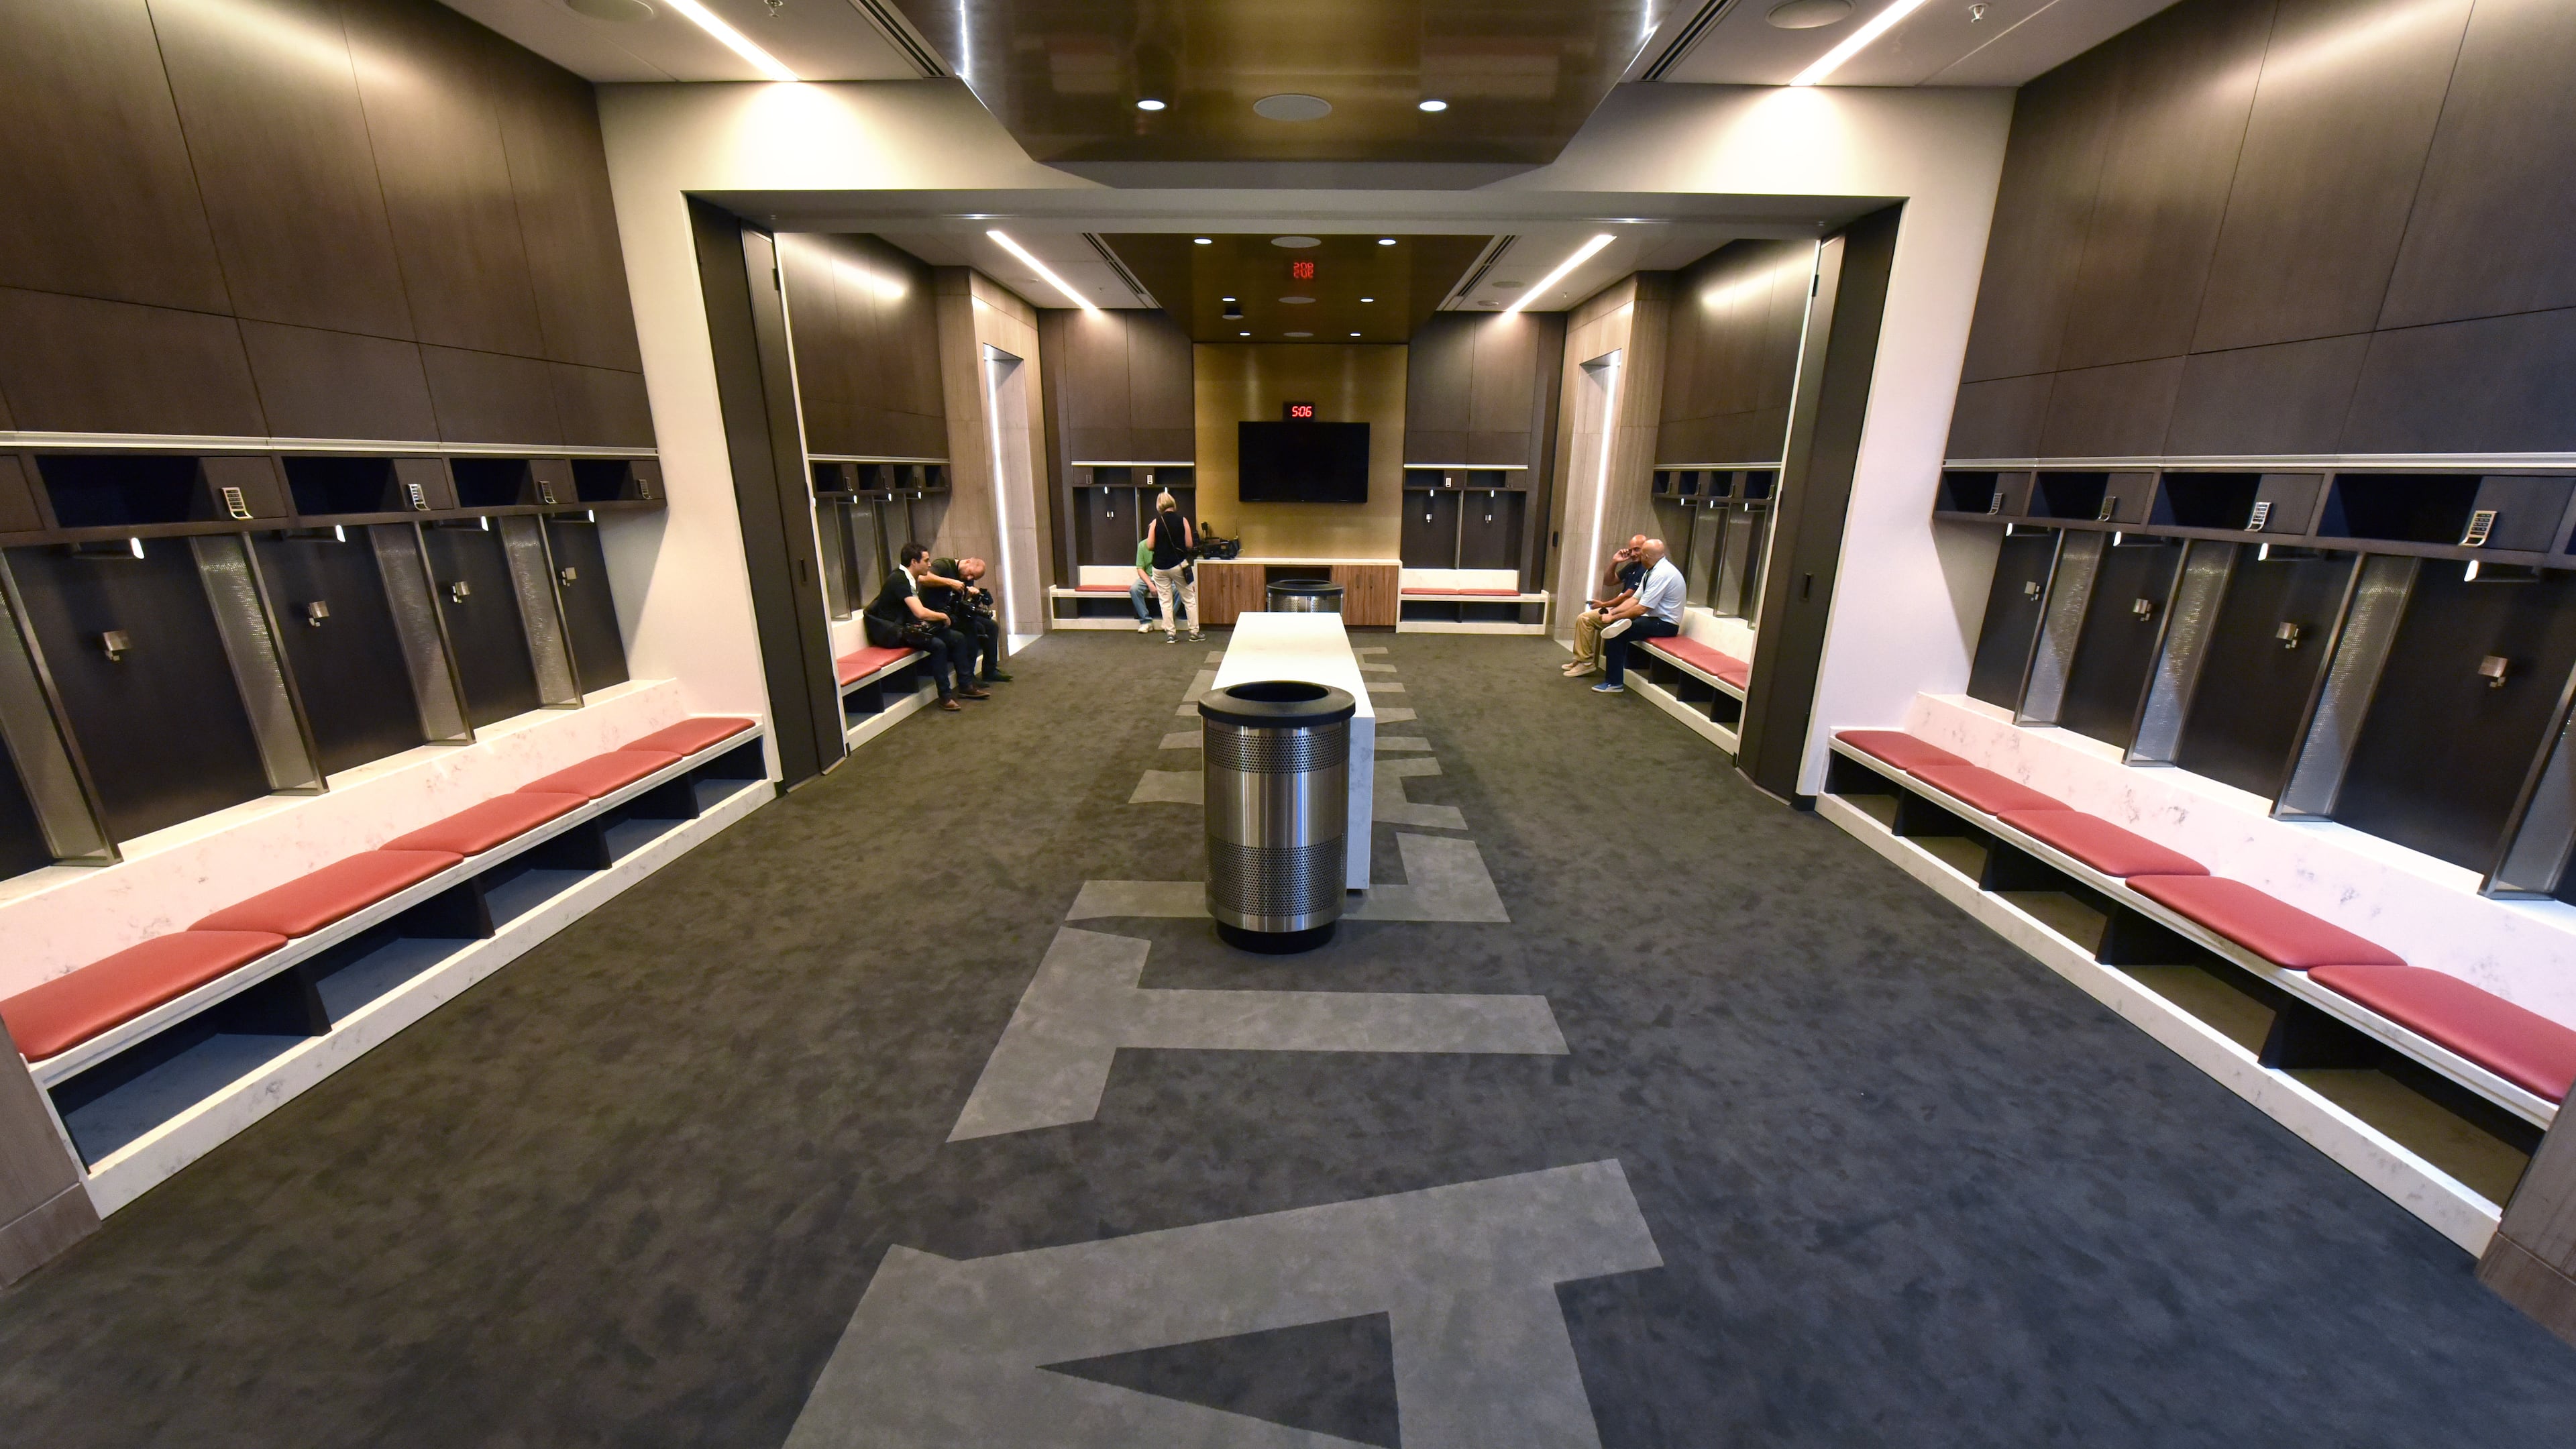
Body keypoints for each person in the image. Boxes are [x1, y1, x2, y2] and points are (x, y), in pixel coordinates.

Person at [865, 543, 985, 711]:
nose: (930, 565)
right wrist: (942, 617)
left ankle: (966, 686)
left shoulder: (907, 578)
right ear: (914, 562)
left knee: (958, 638)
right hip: (893, 632)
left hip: (906, 627)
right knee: (938, 646)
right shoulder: (900, 580)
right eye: (926, 561)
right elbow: (920, 612)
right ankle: (945, 697)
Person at [1594, 537, 1684, 694]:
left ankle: (1614, 683)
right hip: (1653, 620)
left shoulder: (1661, 574)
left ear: (1646, 557)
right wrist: (1612, 612)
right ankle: (1612, 680)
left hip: (1665, 625)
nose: (1638, 556)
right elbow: (1635, 599)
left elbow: (1641, 608)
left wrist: (1614, 618)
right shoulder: (1651, 571)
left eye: (1641, 553)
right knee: (1616, 627)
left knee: (1616, 634)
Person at [1563, 535, 1648, 678]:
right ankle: (1580, 659)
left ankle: (1586, 663)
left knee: (1585, 619)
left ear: (1645, 550)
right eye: (1631, 550)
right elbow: (1609, 581)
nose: (1633, 554)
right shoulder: (1632, 566)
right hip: (1620, 608)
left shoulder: (1644, 570)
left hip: (1630, 613)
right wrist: (1615, 562)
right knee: (1583, 618)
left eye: (1637, 550)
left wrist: (1604, 605)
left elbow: (1628, 596)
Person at [924, 556, 1009, 685]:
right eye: (970, 574)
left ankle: (990, 670)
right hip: (936, 613)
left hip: (954, 612)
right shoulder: (944, 565)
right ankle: (968, 677)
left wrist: (972, 595)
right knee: (970, 627)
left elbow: (962, 600)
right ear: (968, 562)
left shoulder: (966, 579)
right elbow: (924, 578)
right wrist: (950, 582)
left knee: (992, 626)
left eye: (973, 578)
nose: (969, 578)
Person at [1145, 491, 1202, 644]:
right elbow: (1190, 544)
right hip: (1178, 565)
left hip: (1160, 567)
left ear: (1159, 506)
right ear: (1173, 504)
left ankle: (1171, 634)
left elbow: (1150, 545)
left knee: (1165, 601)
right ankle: (1194, 633)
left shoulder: (1156, 522)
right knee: (1189, 599)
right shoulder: (1183, 520)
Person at [1130, 533, 1188, 634]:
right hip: (1148, 576)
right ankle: (1146, 621)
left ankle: (1168, 620)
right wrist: (1150, 584)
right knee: (1134, 589)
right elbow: (1140, 569)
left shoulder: (1167, 545)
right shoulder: (1143, 545)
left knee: (1180, 589)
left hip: (1165, 576)